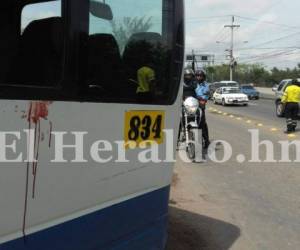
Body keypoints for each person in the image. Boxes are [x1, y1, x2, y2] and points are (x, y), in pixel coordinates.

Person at [194, 69, 210, 149]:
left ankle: (206, 140)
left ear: (203, 77)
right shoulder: (192, 84)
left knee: (202, 122)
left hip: (200, 105)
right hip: (191, 104)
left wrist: (201, 99)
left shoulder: (206, 85)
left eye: (201, 76)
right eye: (197, 75)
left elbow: (205, 96)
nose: (199, 77)